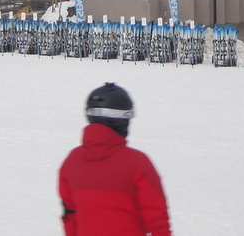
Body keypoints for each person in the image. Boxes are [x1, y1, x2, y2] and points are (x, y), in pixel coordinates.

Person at [58, 82, 172, 236]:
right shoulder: (137, 163)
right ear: (123, 121)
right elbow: (157, 217)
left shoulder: (71, 162)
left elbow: (70, 215)